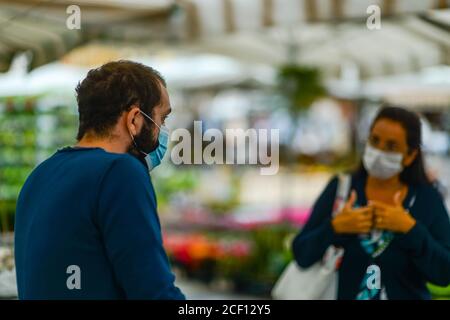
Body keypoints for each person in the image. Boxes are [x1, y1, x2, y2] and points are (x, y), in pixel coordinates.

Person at [14, 60, 185, 300]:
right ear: (135, 120)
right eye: (162, 119)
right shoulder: (120, 172)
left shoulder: (41, 174)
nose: (163, 131)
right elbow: (153, 291)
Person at [292, 106, 450, 300]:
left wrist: (410, 229)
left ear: (410, 156)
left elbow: (444, 273)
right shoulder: (342, 188)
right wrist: (335, 227)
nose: (379, 151)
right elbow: (301, 253)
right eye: (375, 141)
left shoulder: (426, 200)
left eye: (391, 146)